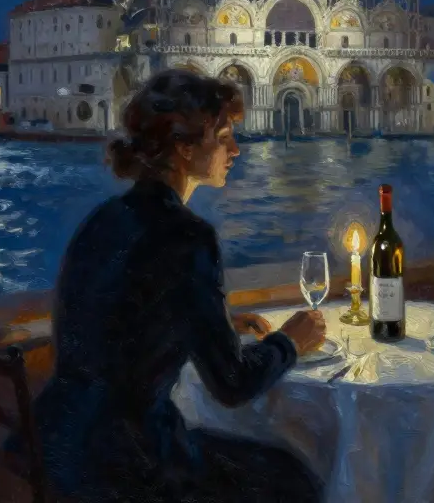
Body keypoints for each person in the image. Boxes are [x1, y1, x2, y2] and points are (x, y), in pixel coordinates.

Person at [30, 69, 326, 502]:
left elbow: (136, 321)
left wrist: (210, 323)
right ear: (184, 149)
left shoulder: (107, 218)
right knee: (295, 481)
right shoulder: (187, 237)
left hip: (60, 442)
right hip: (130, 465)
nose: (236, 150)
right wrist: (290, 343)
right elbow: (233, 384)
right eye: (223, 138)